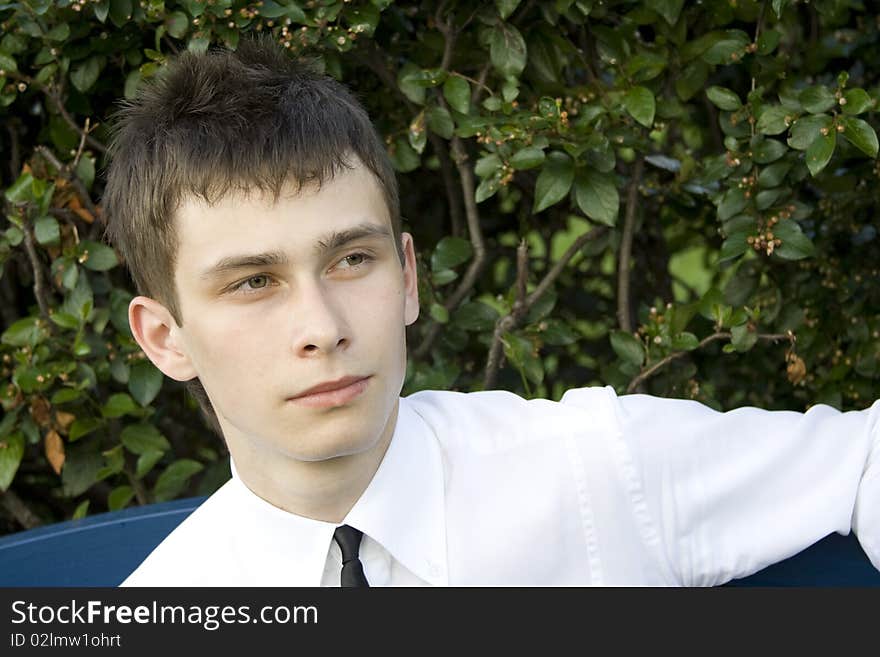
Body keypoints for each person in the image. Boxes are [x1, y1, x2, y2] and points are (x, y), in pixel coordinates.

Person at [103, 37, 879, 587]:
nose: (323, 326)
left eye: (351, 259)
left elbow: (861, 458)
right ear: (165, 338)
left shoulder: (592, 467)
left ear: (408, 277)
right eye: (252, 283)